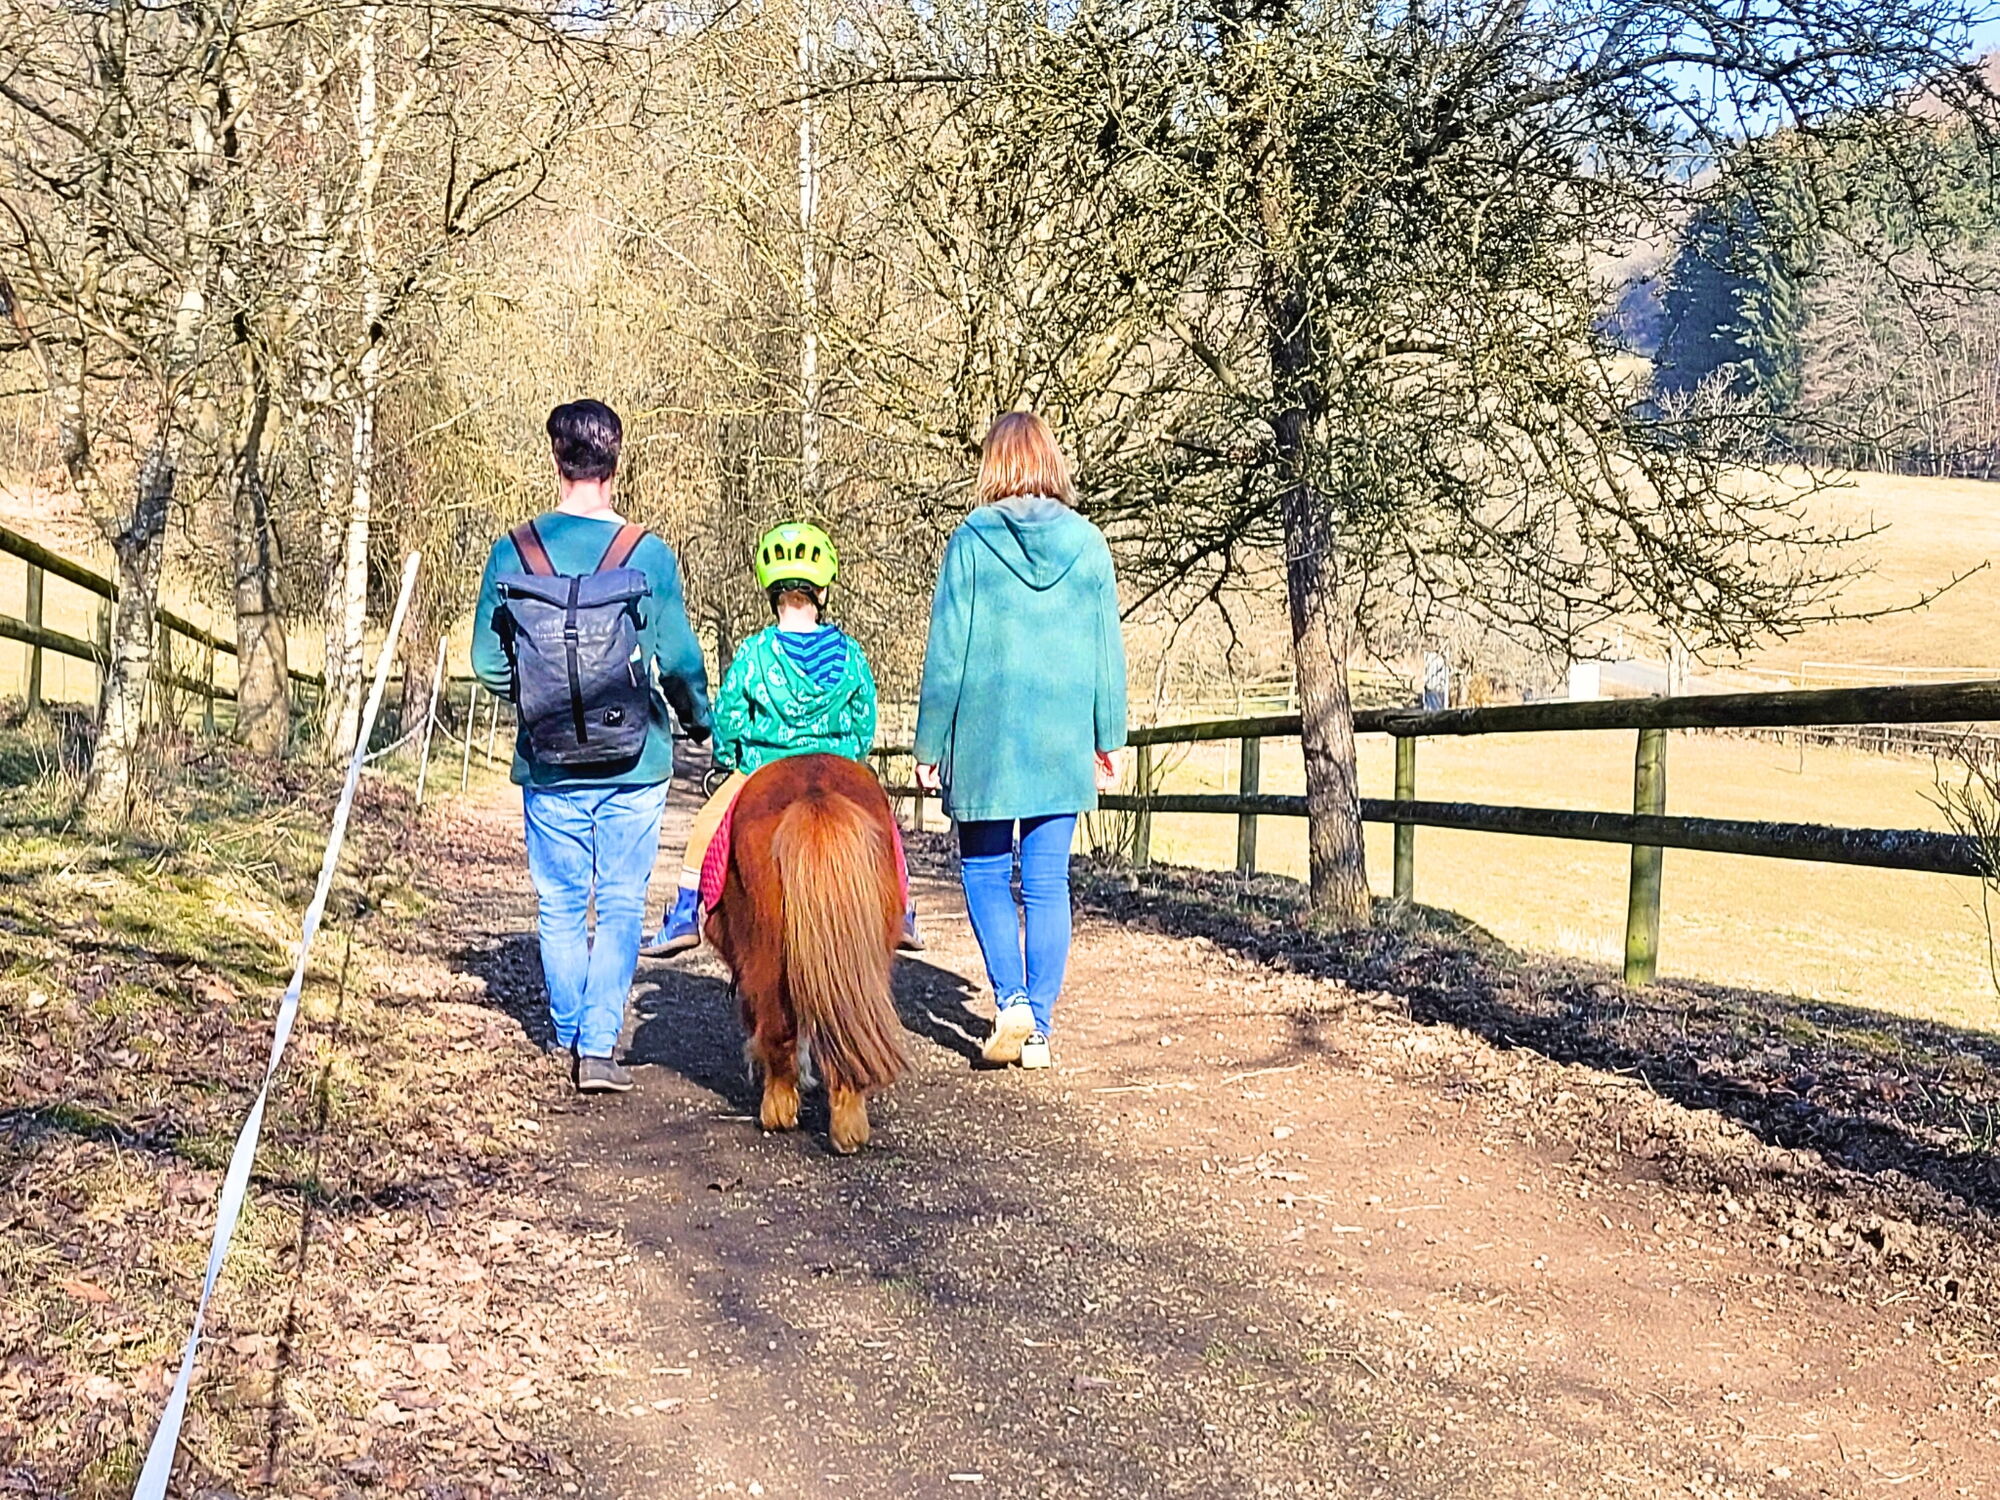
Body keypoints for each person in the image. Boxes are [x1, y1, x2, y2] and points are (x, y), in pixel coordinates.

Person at [471, 399, 711, 1094]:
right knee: (623, 898)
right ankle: (600, 1045)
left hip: (548, 761)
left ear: (557, 460)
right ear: (616, 462)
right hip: (636, 761)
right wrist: (700, 725)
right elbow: (680, 663)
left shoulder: (513, 551)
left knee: (560, 901)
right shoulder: (649, 554)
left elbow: (488, 664)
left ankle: (567, 1030)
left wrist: (542, 697)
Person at [913, 411, 1126, 1070]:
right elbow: (1105, 650)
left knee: (982, 870)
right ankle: (1039, 1031)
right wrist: (1108, 734)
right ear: (1050, 462)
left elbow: (947, 650)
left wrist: (928, 743)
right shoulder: (1089, 544)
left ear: (994, 465)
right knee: (1045, 882)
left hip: (985, 737)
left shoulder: (971, 541)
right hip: (1060, 737)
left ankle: (1013, 1001)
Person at [643, 521, 923, 956]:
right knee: (885, 826)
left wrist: (728, 755)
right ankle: (900, 908)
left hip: (761, 766)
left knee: (707, 825)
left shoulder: (755, 653)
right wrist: (851, 755)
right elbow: (864, 718)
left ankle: (683, 913)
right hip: (838, 764)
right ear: (822, 593)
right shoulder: (850, 654)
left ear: (772, 594)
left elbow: (731, 715)